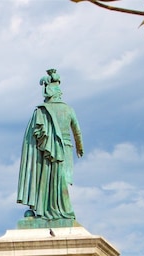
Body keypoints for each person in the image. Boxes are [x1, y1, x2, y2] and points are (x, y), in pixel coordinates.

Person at [16, 69, 83, 222]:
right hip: (65, 147)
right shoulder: (68, 109)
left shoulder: (41, 111)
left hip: (47, 149)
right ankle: (62, 210)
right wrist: (80, 147)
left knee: (45, 177)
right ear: (59, 92)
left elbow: (35, 134)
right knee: (61, 179)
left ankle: (45, 209)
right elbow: (77, 131)